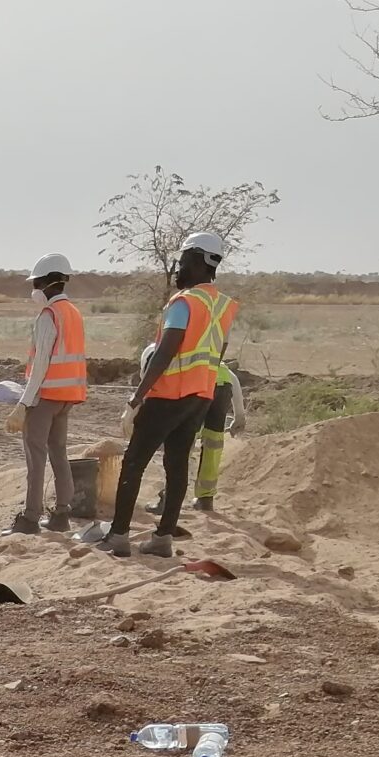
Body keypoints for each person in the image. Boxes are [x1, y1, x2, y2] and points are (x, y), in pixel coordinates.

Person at [105, 231, 239, 557]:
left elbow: (164, 353)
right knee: (177, 465)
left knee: (134, 462)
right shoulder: (220, 305)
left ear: (196, 260)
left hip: (168, 395)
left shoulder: (184, 302)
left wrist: (135, 400)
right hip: (200, 396)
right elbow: (217, 353)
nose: (178, 267)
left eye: (182, 260)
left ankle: (119, 536)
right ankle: (163, 538)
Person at [9, 253, 86, 534]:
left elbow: (41, 364)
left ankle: (30, 518)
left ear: (50, 283)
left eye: (37, 283)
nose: (35, 289)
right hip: (68, 396)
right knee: (58, 454)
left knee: (36, 456)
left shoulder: (48, 315)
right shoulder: (74, 313)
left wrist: (23, 403)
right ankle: (61, 514)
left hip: (45, 397)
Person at [194, 355, 244, 512]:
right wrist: (240, 415)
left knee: (182, 441)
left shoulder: (158, 352)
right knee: (213, 444)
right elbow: (231, 377)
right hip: (223, 389)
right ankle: (205, 499)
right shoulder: (214, 358)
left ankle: (170, 495)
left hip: (197, 386)